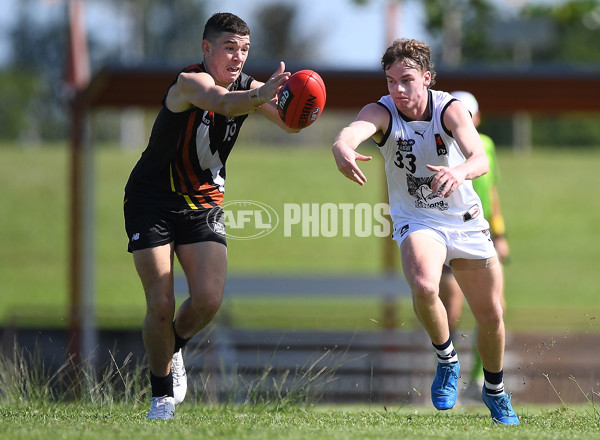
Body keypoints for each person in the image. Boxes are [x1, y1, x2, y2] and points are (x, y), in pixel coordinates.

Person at [123, 12, 302, 420]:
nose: (238, 57)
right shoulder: (190, 82)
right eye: (229, 48)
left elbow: (289, 125)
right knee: (162, 301)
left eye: (244, 50)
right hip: (150, 201)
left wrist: (302, 103)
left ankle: (175, 346)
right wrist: (261, 96)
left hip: (203, 202)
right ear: (206, 50)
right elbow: (222, 103)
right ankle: (161, 398)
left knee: (207, 299)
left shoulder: (251, 87)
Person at [331, 39, 519, 425]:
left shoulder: (449, 108)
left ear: (427, 78)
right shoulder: (382, 111)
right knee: (424, 284)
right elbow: (355, 129)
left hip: (464, 220)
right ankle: (447, 359)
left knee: (492, 316)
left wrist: (458, 171)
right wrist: (341, 145)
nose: (397, 89)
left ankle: (496, 389)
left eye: (406, 80)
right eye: (390, 81)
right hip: (417, 220)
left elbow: (479, 158)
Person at [438, 91, 510, 397]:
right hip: (449, 232)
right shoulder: (441, 144)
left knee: (495, 308)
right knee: (451, 310)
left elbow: (491, 190)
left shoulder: (487, 147)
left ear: (477, 117)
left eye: (470, 114)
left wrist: (501, 233)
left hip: (481, 235)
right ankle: (447, 372)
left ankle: (480, 379)